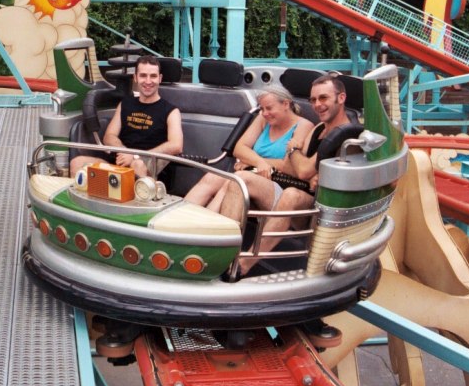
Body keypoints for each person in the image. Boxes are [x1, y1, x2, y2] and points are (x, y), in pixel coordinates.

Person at [241, 72, 354, 273]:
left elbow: (301, 169)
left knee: (290, 195)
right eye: (313, 100)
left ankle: (244, 265)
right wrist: (300, 162)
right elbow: (296, 169)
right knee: (239, 180)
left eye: (323, 98)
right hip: (295, 190)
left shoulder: (347, 134)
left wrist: (293, 150)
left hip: (316, 208)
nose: (317, 104)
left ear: (341, 98)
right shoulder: (319, 129)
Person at [183, 85, 313, 213]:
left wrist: (251, 162)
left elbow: (288, 166)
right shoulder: (263, 119)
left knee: (239, 179)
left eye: (269, 108)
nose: (265, 113)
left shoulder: (304, 126)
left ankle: (207, 225)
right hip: (254, 173)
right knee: (212, 177)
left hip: (282, 185)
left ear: (285, 104)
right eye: (261, 109)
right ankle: (178, 220)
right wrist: (258, 163)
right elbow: (239, 148)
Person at [70, 55, 183, 179]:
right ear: (135, 77)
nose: (148, 81)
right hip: (121, 163)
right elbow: (109, 136)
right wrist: (124, 151)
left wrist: (136, 156)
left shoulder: (171, 111)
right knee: (77, 163)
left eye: (153, 76)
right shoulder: (125, 104)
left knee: (137, 165)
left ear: (160, 78)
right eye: (143, 75)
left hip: (149, 166)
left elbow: (176, 145)